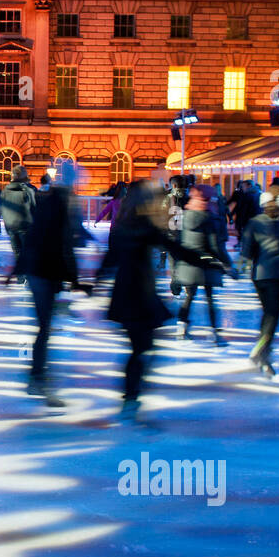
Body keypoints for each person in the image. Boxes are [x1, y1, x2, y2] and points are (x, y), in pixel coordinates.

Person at [93, 181, 214, 426]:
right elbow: (177, 249)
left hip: (125, 295)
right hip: (140, 295)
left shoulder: (123, 228)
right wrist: (208, 259)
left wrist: (94, 284)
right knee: (142, 350)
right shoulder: (146, 227)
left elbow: (109, 260)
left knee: (140, 349)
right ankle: (131, 399)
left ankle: (131, 398)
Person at [18, 166, 80, 406]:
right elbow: (64, 244)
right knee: (44, 328)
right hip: (44, 272)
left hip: (41, 272)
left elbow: (34, 236)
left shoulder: (48, 202)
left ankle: (38, 377)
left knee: (45, 327)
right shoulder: (60, 205)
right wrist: (74, 279)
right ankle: (37, 378)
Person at [241, 191, 279, 378]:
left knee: (268, 313)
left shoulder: (255, 222)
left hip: (260, 275)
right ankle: (262, 349)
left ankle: (263, 348)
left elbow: (247, 250)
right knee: (272, 316)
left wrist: (243, 265)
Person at [174, 184, 233, 346]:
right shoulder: (209, 218)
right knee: (209, 299)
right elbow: (215, 246)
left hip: (188, 262)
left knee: (189, 296)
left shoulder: (184, 215)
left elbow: (177, 239)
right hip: (206, 264)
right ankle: (214, 332)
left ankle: (181, 328)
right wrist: (227, 264)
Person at [0, 165, 37, 284]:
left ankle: (21, 277)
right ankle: (28, 276)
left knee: (17, 253)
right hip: (26, 226)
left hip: (11, 226)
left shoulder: (5, 190)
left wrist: (7, 224)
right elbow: (35, 208)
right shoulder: (30, 190)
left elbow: (2, 208)